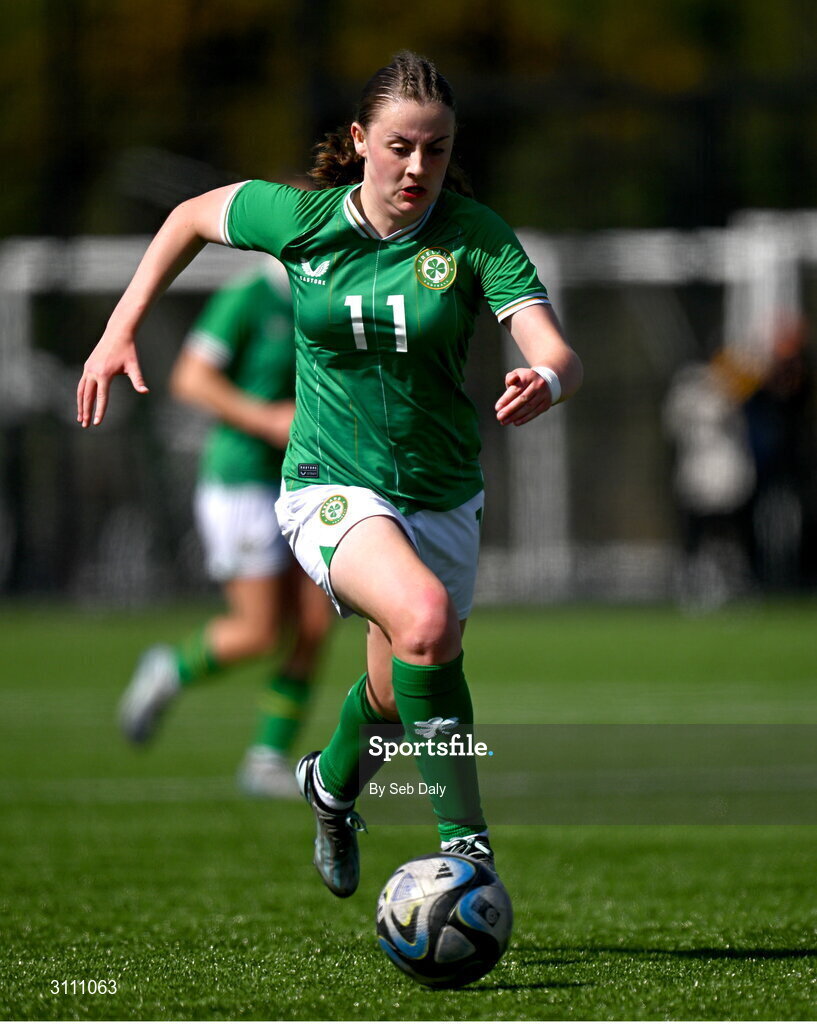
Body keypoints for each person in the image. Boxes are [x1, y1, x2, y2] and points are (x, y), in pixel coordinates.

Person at [78, 50, 583, 898]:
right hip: (327, 481)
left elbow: (550, 340)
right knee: (425, 619)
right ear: (359, 140)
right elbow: (189, 218)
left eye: (436, 149)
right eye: (398, 147)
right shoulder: (302, 219)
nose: (417, 167)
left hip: (442, 491)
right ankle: (470, 851)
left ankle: (329, 786)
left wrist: (549, 378)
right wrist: (119, 326)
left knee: (393, 692)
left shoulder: (473, 236)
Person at [118, 255, 333, 798]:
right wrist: (264, 419)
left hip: (305, 479)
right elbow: (190, 379)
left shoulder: (330, 295)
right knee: (261, 631)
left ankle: (265, 759)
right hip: (242, 483)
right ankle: (173, 668)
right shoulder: (248, 298)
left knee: (314, 623)